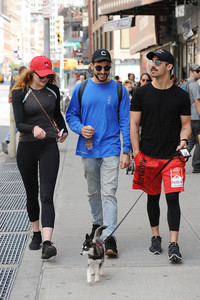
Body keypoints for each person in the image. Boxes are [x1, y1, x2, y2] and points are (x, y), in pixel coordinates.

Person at [66, 49, 131, 256]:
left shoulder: (120, 90)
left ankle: (110, 235)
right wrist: (80, 128)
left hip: (111, 149)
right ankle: (97, 223)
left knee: (109, 193)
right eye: (99, 67)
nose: (103, 71)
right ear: (92, 66)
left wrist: (126, 150)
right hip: (88, 149)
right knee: (93, 192)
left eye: (107, 67)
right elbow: (71, 115)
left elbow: (126, 122)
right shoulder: (81, 89)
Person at [130, 49, 191, 261]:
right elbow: (134, 124)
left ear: (169, 67)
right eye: (151, 61)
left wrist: (183, 140)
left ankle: (174, 243)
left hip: (173, 158)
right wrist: (137, 154)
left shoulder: (181, 96)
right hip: (147, 156)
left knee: (172, 197)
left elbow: (186, 126)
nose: (152, 65)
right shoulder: (141, 93)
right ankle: (155, 236)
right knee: (152, 197)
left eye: (157, 62)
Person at [11, 56, 68, 259]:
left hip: (48, 146)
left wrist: (63, 130)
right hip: (27, 147)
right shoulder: (20, 93)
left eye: (48, 75)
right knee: (31, 193)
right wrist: (33, 128)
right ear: (32, 73)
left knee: (46, 195)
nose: (45, 79)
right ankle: (35, 233)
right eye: (41, 76)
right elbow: (19, 123)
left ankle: (47, 242)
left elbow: (57, 116)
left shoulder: (53, 91)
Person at [1, 66, 27, 154]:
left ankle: (7, 141)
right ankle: (8, 141)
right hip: (19, 104)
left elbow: (10, 91)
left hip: (13, 103)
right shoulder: (23, 81)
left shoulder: (14, 79)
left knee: (16, 124)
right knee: (18, 124)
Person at [185, 63, 200, 173]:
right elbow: (197, 102)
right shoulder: (194, 85)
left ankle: (180, 158)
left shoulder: (185, 83)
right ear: (191, 72)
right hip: (196, 118)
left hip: (189, 117)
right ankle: (197, 165)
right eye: (197, 71)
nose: (199, 73)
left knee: (191, 141)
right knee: (199, 142)